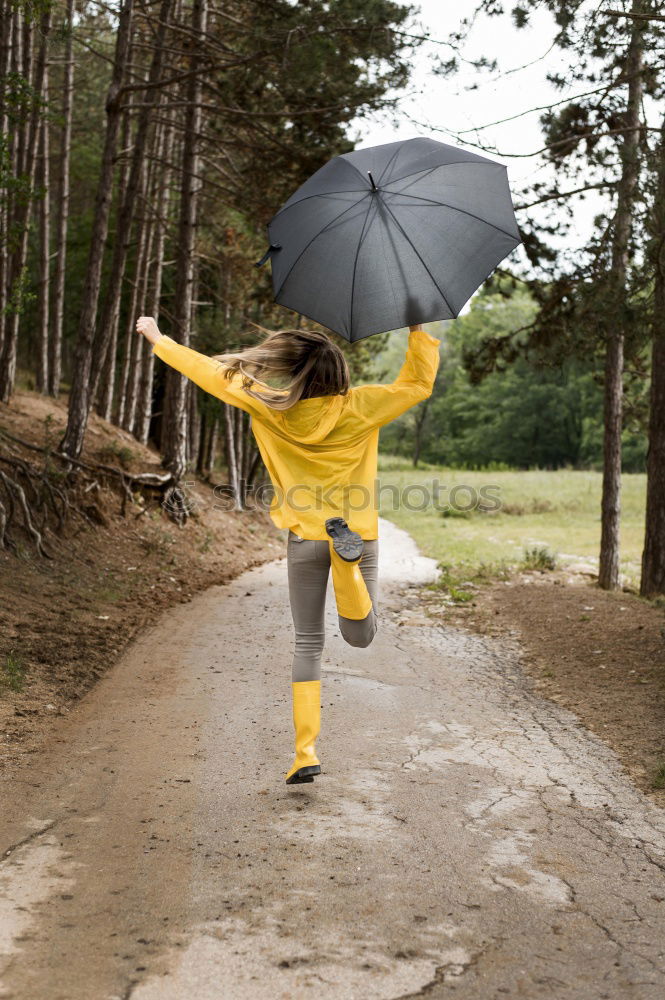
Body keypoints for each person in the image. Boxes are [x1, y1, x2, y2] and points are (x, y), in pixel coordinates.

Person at [135, 315, 440, 785]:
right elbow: (417, 384)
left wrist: (160, 339)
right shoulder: (362, 407)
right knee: (360, 636)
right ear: (340, 374)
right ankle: (349, 571)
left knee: (308, 642)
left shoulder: (271, 406)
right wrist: (417, 330)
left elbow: (213, 375)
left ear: (296, 372)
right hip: (355, 530)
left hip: (303, 537)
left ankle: (304, 752)